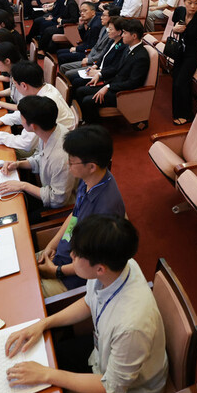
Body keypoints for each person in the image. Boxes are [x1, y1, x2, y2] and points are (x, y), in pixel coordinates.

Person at [4, 215, 167, 393]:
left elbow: (111, 390)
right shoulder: (118, 268)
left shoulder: (132, 326)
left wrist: (47, 374)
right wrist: (43, 324)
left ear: (100, 269)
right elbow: (88, 302)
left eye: (77, 254)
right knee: (44, 354)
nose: (71, 256)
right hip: (101, 354)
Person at [35, 126, 126, 296]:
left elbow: (94, 263)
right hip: (62, 256)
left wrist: (56, 271)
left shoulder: (106, 210)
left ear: (91, 166)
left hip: (73, 279)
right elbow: (75, 216)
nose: (67, 163)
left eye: (71, 161)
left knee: (25, 293)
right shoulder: (88, 180)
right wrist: (51, 246)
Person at [0, 96, 74, 220]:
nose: (20, 118)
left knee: (14, 213)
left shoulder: (61, 158)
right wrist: (18, 164)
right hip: (45, 188)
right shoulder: (50, 131)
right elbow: (39, 160)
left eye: (22, 116)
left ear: (33, 126)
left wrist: (23, 185)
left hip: (59, 208)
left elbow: (57, 200)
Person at [0, 61, 73, 157]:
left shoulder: (42, 103)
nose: (15, 88)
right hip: (51, 140)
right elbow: (25, 113)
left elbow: (26, 144)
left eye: (15, 84)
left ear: (24, 85)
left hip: (55, 148)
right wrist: (1, 121)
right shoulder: (46, 88)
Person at [76, 19, 151, 124]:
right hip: (113, 84)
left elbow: (133, 83)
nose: (122, 35)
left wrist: (108, 87)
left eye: (125, 33)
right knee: (80, 91)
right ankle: (84, 119)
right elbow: (117, 69)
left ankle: (93, 128)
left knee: (88, 101)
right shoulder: (128, 48)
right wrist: (100, 76)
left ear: (134, 36)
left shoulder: (141, 56)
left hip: (122, 93)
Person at [169, 0, 197, 125]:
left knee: (181, 82)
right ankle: (178, 112)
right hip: (179, 51)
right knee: (176, 81)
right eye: (190, 3)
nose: (193, 6)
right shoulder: (179, 11)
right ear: (184, 2)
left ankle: (187, 115)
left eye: (196, 3)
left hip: (192, 54)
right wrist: (175, 29)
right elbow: (173, 26)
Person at [66, 15, 123, 87]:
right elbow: (102, 56)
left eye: (111, 29)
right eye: (108, 28)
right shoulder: (112, 41)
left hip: (104, 74)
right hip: (97, 68)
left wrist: (98, 72)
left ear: (119, 32)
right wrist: (94, 66)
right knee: (72, 76)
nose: (108, 31)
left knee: (76, 81)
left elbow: (114, 67)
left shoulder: (121, 46)